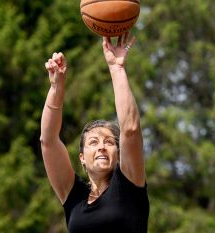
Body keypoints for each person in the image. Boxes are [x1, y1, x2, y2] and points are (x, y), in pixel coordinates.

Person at [40, 32, 149, 233]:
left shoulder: (129, 185)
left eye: (109, 142)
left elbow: (130, 130)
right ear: (81, 157)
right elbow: (48, 141)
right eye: (93, 142)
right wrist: (56, 87)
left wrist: (116, 68)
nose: (101, 146)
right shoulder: (73, 196)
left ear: (119, 153)